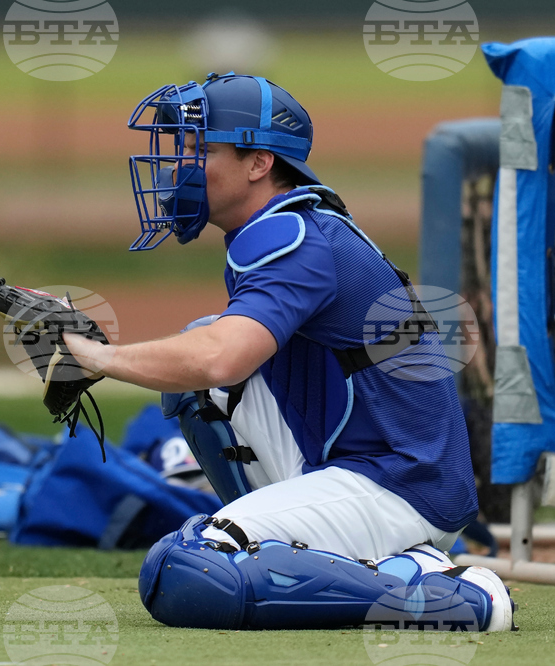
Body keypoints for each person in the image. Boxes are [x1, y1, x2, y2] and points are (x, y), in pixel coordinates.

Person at [63, 72, 514, 632]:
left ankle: (464, 600)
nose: (182, 165)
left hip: (400, 484)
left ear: (259, 164)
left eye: (202, 148)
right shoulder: (288, 226)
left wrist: (97, 358)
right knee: (198, 365)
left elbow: (221, 358)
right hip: (365, 466)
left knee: (188, 568)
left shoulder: (293, 237)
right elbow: (210, 361)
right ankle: (363, 560)